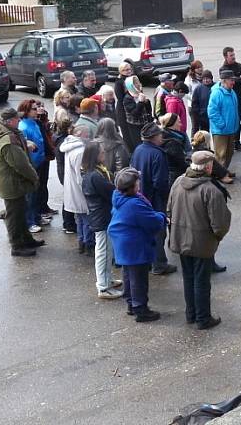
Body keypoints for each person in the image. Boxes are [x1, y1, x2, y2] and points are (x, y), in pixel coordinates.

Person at [167, 151, 232, 330]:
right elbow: (220, 223)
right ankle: (203, 318)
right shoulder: (210, 190)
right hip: (202, 243)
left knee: (188, 278)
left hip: (181, 240)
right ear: (209, 167)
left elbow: (169, 209)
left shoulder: (178, 182)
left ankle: (191, 314)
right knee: (202, 281)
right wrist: (216, 238)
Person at [108, 167, 167, 322]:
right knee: (138, 278)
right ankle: (141, 309)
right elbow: (152, 221)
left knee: (128, 275)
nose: (139, 184)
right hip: (134, 245)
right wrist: (162, 216)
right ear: (132, 186)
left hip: (123, 243)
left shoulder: (119, 197)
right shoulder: (133, 204)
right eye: (137, 182)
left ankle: (131, 304)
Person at [0, 108, 43, 257]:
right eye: (17, 119)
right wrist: (34, 177)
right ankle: (17, 246)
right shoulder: (8, 141)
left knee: (21, 212)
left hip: (13, 182)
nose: (19, 120)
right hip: (12, 184)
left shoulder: (7, 132)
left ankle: (26, 239)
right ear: (10, 121)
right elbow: (20, 165)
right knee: (14, 216)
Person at [130, 122, 176, 275]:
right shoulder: (157, 154)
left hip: (140, 197)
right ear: (154, 137)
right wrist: (166, 198)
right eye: (160, 134)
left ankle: (148, 261)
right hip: (154, 200)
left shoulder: (138, 150)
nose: (162, 137)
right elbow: (160, 182)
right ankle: (159, 264)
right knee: (158, 232)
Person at [80, 140, 123, 299]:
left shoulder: (94, 172)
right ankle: (103, 287)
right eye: (102, 152)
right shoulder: (95, 176)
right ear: (95, 156)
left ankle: (108, 279)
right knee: (104, 253)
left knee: (106, 251)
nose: (104, 154)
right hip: (102, 218)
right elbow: (111, 192)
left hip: (102, 216)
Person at [17, 99, 47, 233]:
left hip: (40, 162)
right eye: (34, 109)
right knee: (31, 194)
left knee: (37, 192)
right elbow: (22, 146)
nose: (37, 110)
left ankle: (36, 216)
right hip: (32, 164)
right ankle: (30, 222)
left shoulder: (34, 122)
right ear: (27, 112)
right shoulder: (23, 127)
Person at [62, 125, 93, 254]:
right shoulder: (80, 151)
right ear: (80, 134)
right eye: (87, 134)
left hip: (71, 189)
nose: (89, 137)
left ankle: (81, 242)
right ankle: (88, 244)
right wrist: (87, 191)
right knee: (87, 219)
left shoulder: (69, 147)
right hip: (79, 190)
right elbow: (81, 175)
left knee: (80, 218)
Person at [208, 70, 239, 170]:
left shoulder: (231, 92)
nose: (233, 82)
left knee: (229, 153)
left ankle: (224, 171)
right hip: (221, 131)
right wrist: (222, 124)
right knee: (221, 155)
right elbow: (212, 112)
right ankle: (220, 175)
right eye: (231, 80)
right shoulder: (216, 93)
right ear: (224, 81)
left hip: (231, 129)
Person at [219, 47, 241, 151]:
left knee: (238, 119)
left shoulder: (239, 65)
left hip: (239, 97)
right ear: (225, 57)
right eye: (231, 55)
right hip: (228, 98)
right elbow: (226, 81)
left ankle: (237, 141)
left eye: (233, 55)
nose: (233, 57)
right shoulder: (223, 69)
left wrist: (236, 79)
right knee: (229, 119)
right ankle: (229, 142)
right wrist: (237, 78)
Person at [123, 76, 153, 152]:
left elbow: (148, 110)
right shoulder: (128, 98)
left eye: (138, 82)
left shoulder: (140, 94)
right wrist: (141, 102)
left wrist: (147, 102)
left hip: (145, 124)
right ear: (130, 85)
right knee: (140, 146)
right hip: (136, 127)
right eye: (135, 83)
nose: (138, 84)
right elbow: (135, 114)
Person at [159, 113, 192, 185]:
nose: (181, 124)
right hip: (176, 176)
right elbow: (181, 163)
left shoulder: (174, 136)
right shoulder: (172, 143)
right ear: (172, 123)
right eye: (179, 122)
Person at [114, 62, 136, 150]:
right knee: (127, 134)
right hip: (123, 110)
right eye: (125, 70)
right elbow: (120, 98)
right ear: (120, 71)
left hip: (132, 108)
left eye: (129, 69)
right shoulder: (119, 82)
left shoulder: (133, 78)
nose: (128, 71)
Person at [190, 70, 214, 136]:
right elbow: (194, 104)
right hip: (203, 118)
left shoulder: (216, 87)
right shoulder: (198, 89)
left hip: (214, 116)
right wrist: (199, 114)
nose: (206, 80)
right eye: (204, 79)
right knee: (205, 135)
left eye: (208, 78)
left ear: (211, 78)